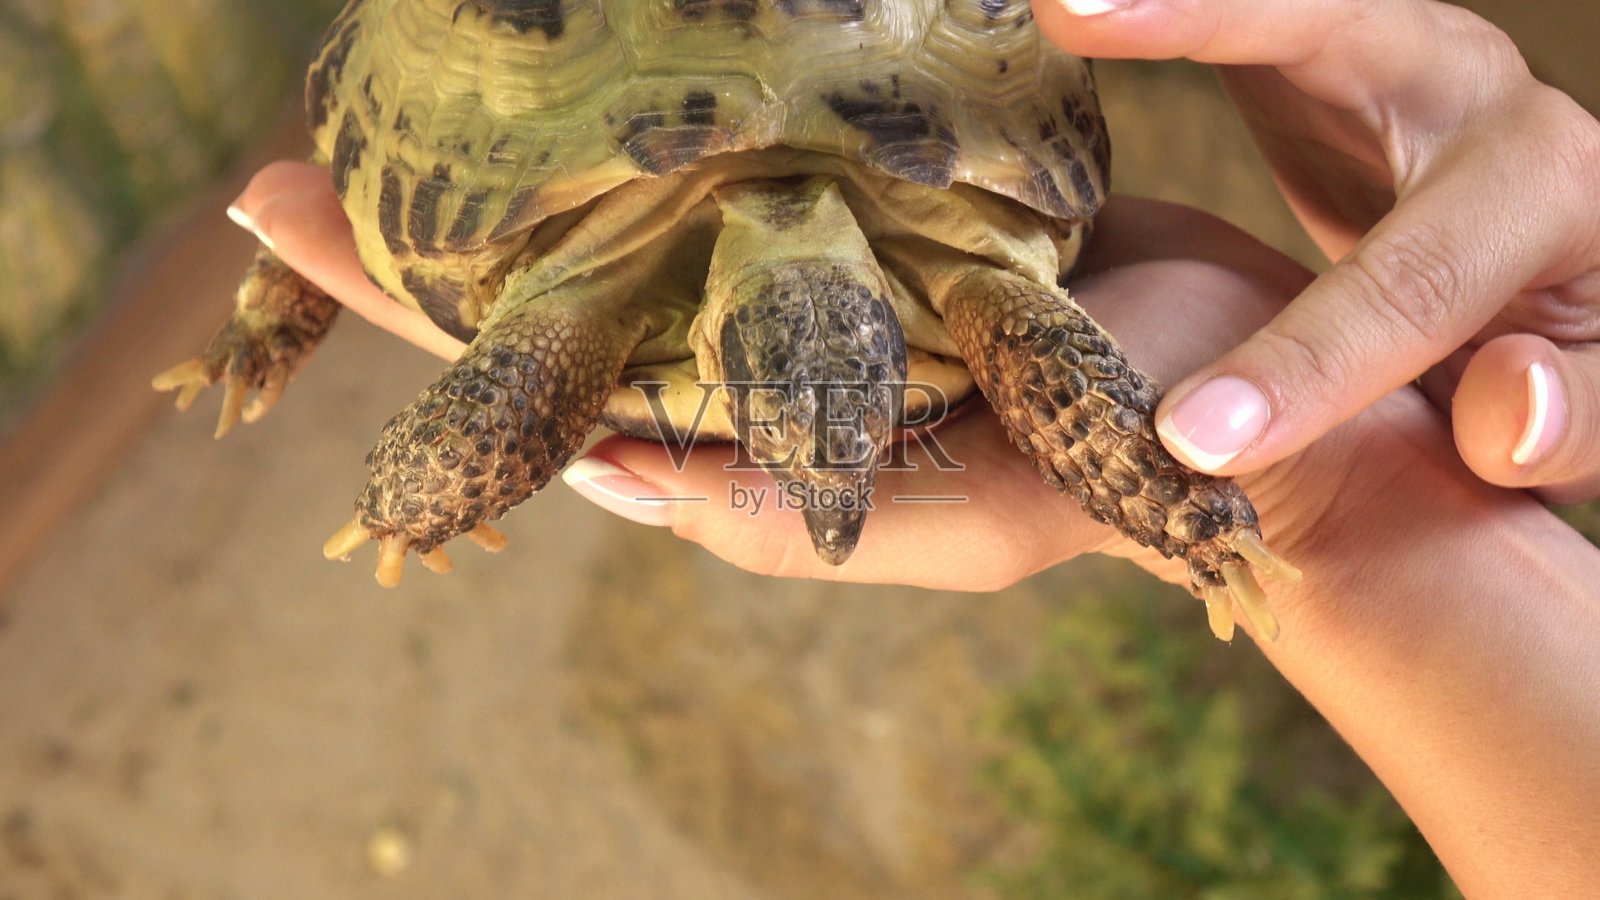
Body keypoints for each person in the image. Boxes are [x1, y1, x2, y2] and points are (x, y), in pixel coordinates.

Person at [223, 1, 1600, 894]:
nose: (835, 491)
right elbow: (522, 365)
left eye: (841, 429)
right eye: (813, 436)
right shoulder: (595, 295)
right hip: (591, 163)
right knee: (394, 326)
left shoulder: (965, 294)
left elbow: (524, 359)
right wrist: (1343, 525)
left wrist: (1317, 518)